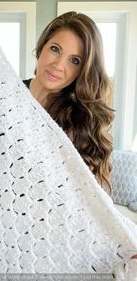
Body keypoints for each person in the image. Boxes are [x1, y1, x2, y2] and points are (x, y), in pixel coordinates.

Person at [23, 11, 114, 192]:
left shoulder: (80, 123)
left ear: (82, 71)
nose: (58, 65)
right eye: (55, 49)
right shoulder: (3, 97)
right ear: (42, 47)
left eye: (74, 60)